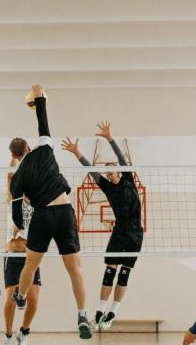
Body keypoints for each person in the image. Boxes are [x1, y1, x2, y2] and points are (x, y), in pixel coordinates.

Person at [9, 84, 91, 339]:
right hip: (64, 211)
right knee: (74, 268)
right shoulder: (44, 150)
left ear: (15, 155)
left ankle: (20, 296)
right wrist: (40, 97)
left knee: (30, 266)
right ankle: (82, 315)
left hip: (42, 216)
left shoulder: (17, 177)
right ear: (28, 149)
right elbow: (43, 124)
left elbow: (15, 212)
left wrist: (20, 229)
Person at [61, 120, 143, 330]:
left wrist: (109, 139)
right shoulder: (107, 187)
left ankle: (111, 314)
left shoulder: (129, 180)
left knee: (124, 274)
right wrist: (77, 152)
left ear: (119, 172)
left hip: (136, 233)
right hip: (119, 232)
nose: (110, 173)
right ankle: (99, 312)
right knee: (109, 272)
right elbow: (90, 169)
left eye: (113, 171)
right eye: (107, 172)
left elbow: (122, 159)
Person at [3, 157, 41, 345]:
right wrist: (15, 157)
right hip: (14, 254)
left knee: (33, 299)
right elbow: (10, 175)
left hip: (31, 254)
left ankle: (24, 332)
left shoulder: (37, 203)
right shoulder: (13, 201)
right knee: (11, 300)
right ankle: (8, 336)